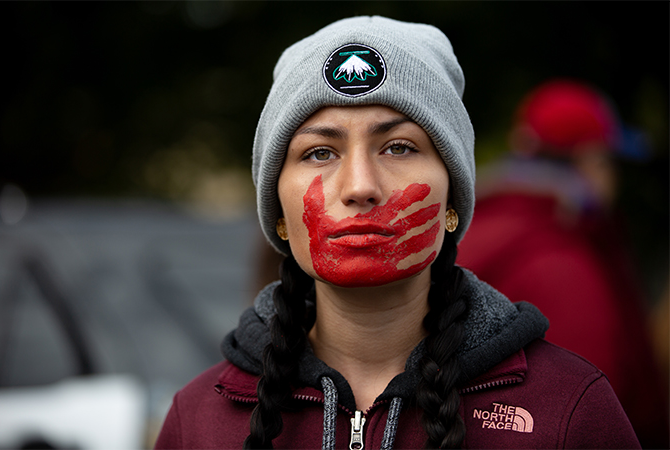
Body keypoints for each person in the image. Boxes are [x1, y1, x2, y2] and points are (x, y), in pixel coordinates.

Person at [155, 17, 640, 449]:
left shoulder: (569, 409)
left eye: (400, 147)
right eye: (320, 152)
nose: (361, 186)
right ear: (277, 211)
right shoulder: (197, 420)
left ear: (453, 197)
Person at [456, 79, 668, 447]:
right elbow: (594, 407)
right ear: (592, 161)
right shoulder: (563, 259)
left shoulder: (475, 230)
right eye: (610, 161)